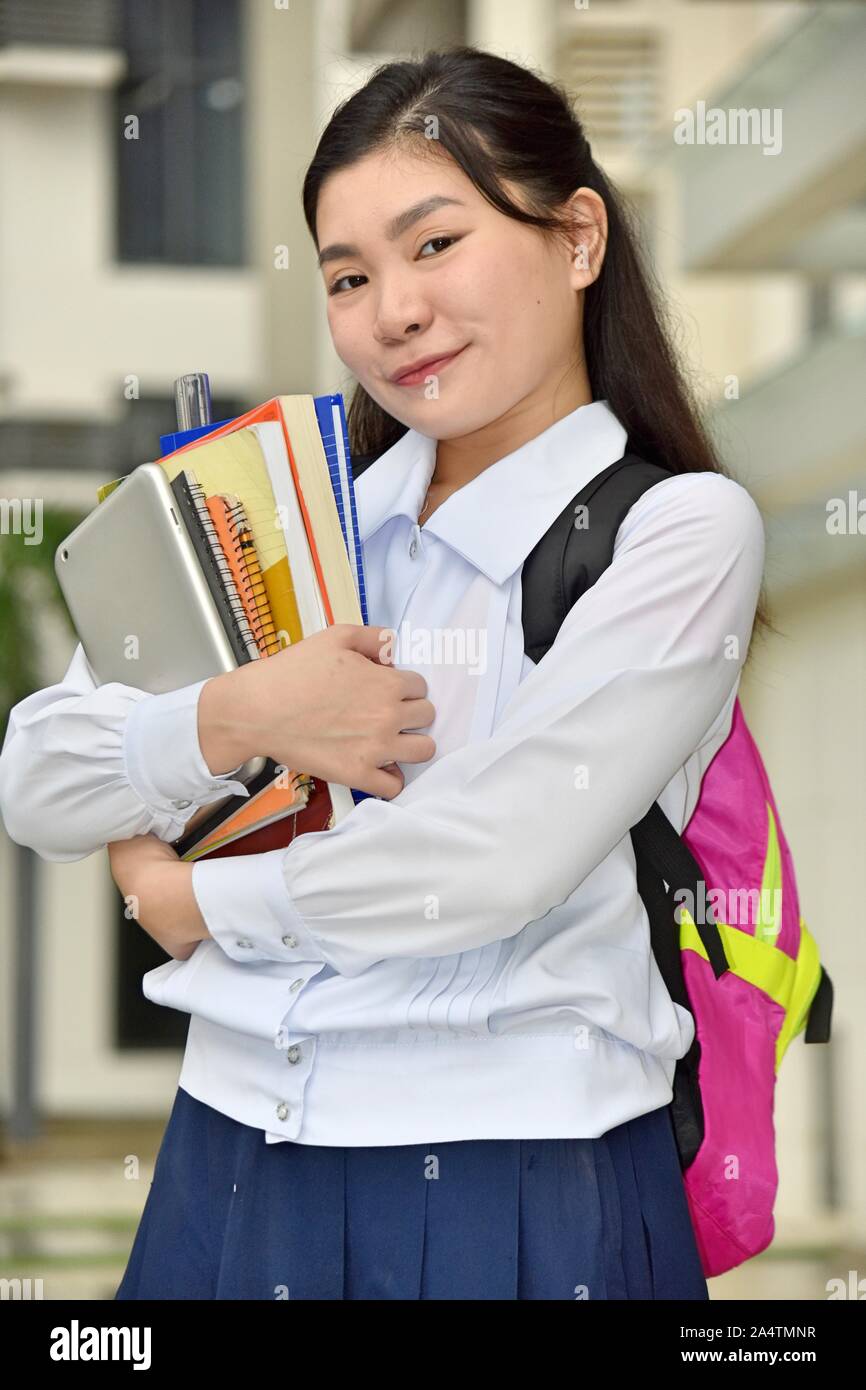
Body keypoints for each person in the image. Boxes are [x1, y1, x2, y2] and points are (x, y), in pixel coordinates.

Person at [0, 45, 767, 1300]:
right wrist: (247, 709)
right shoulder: (275, 514)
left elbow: (489, 858)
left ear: (577, 238)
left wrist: (198, 905)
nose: (390, 311)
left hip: (514, 1175)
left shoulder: (674, 531)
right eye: (348, 275)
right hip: (228, 1150)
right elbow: (36, 779)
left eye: (434, 244)